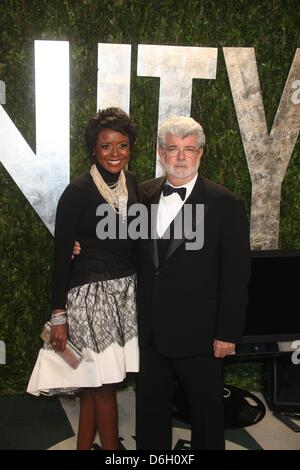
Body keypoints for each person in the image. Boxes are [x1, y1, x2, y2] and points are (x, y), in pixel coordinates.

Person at [135, 115, 251, 450]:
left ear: (200, 154)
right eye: (173, 149)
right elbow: (126, 250)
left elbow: (236, 274)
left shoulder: (225, 204)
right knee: (149, 418)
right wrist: (81, 245)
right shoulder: (142, 195)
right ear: (160, 153)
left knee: (206, 419)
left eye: (189, 149)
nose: (181, 157)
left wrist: (227, 333)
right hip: (150, 335)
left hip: (201, 337)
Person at [27, 107, 139, 450]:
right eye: (107, 146)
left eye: (122, 145)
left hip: (125, 294)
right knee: (104, 387)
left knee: (95, 385)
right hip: (89, 299)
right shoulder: (76, 191)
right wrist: (58, 315)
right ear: (94, 148)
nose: (115, 154)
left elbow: (140, 236)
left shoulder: (133, 184)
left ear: (130, 147)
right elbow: (61, 257)